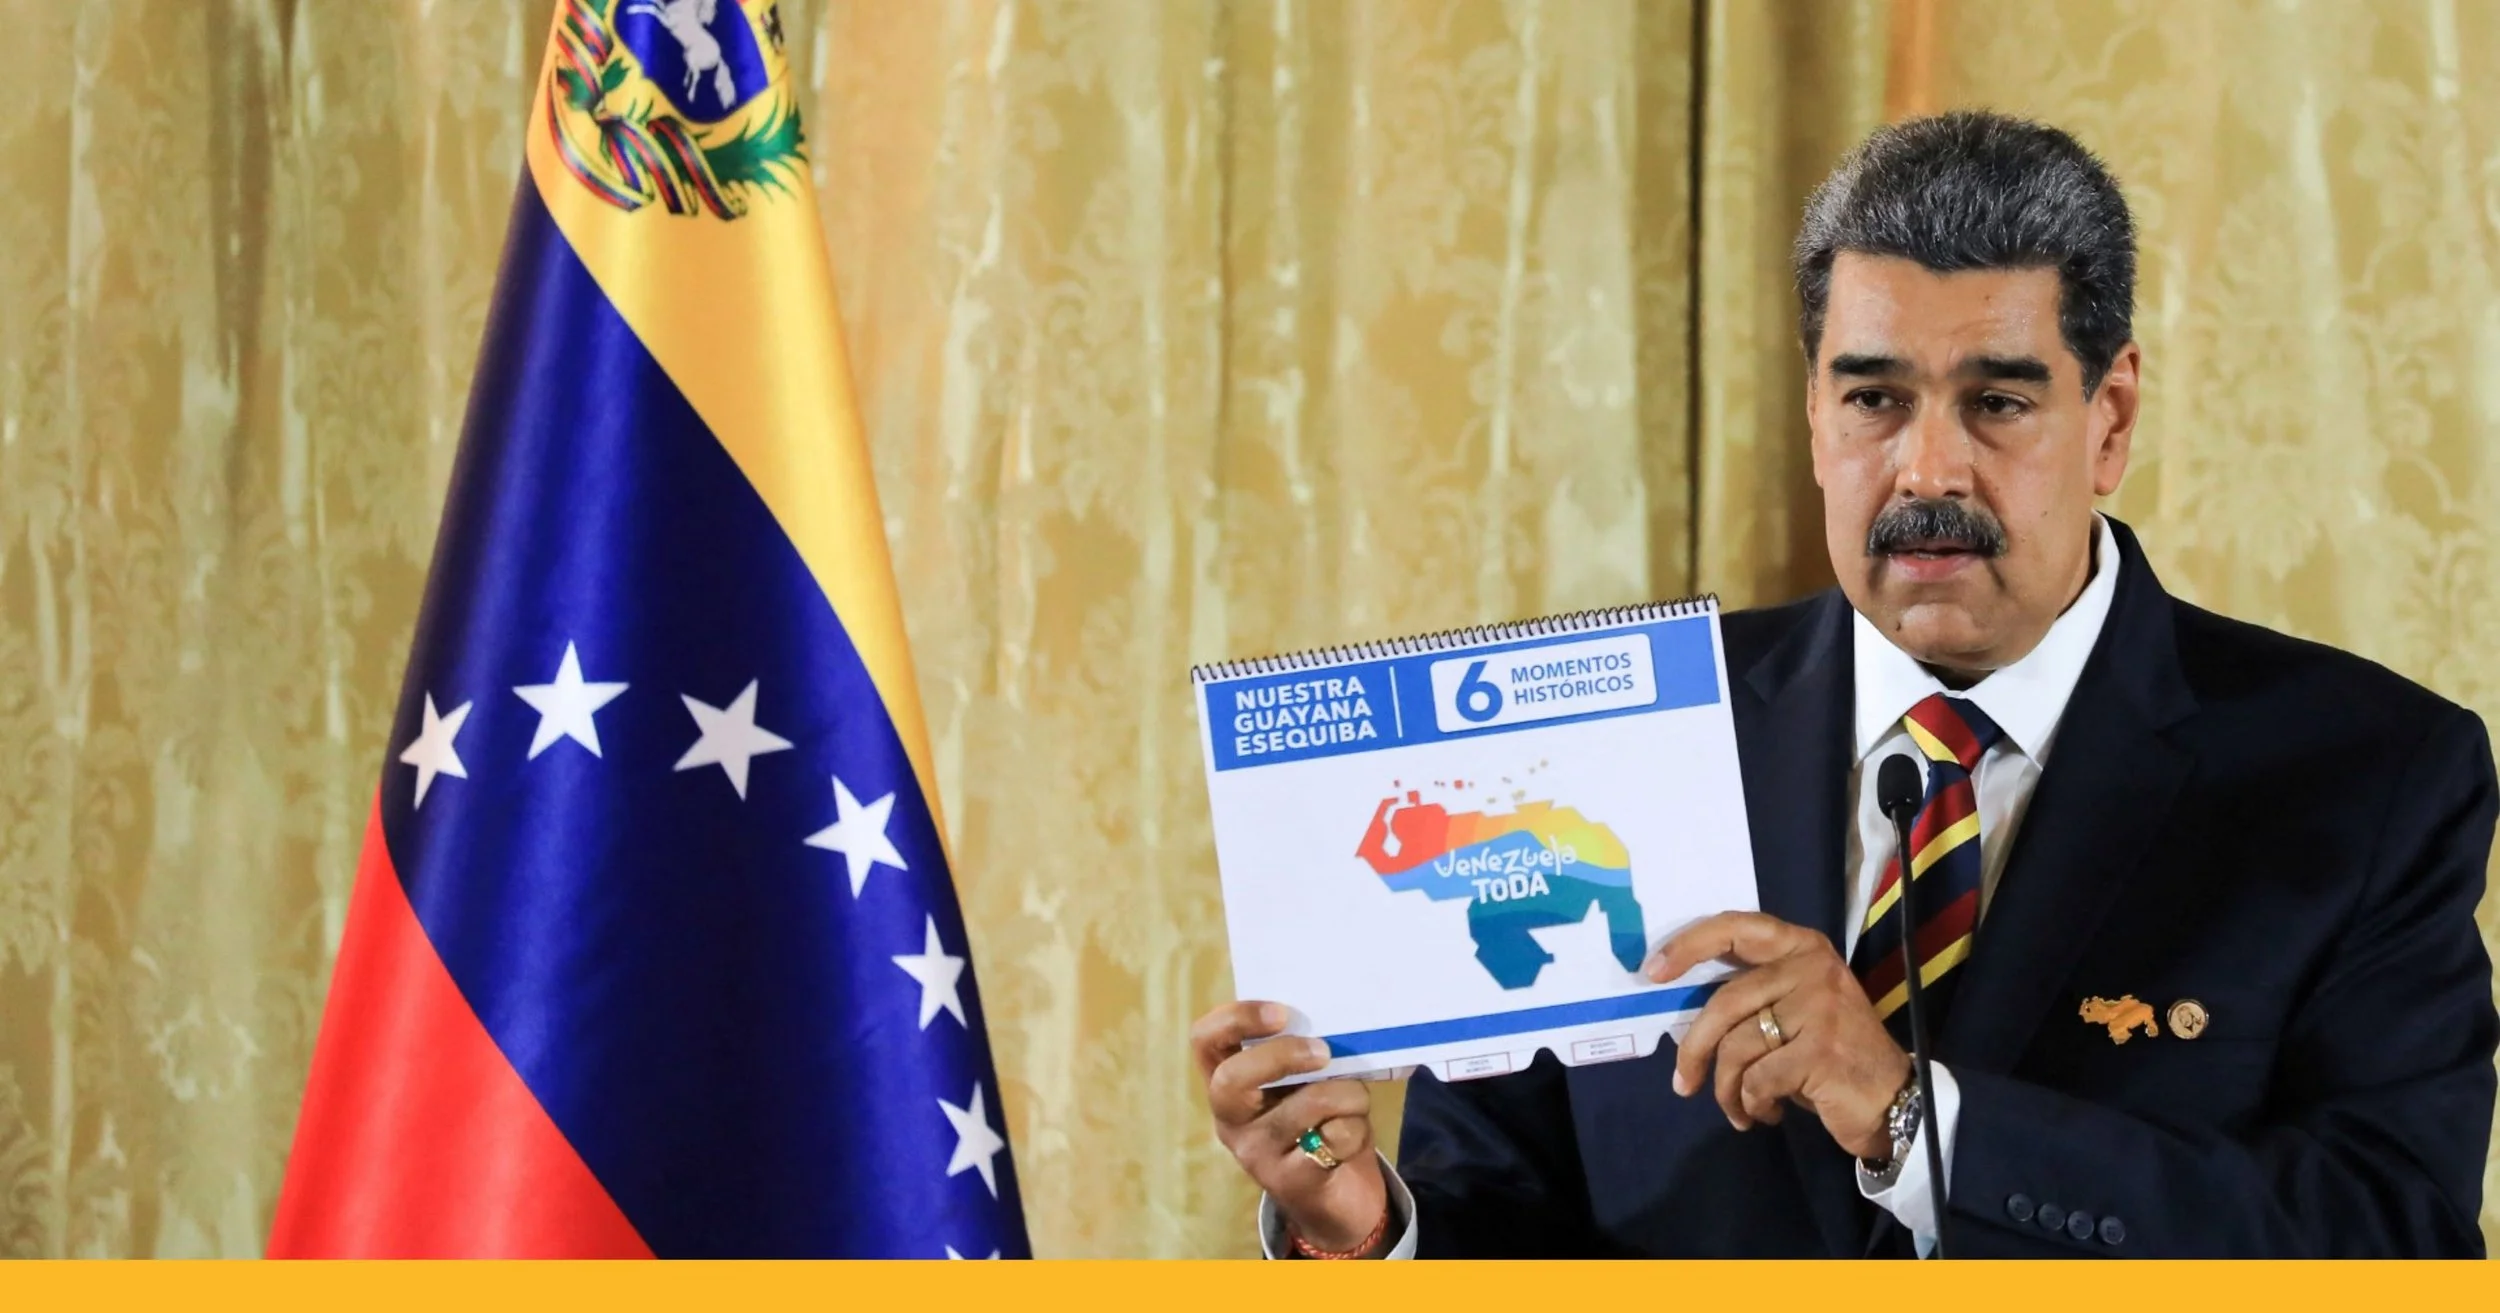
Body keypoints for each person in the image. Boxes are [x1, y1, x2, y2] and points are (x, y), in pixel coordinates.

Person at [1190, 110, 2498, 1258]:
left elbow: (2391, 1241)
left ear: (2111, 419)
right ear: (1816, 415)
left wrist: (1917, 1121)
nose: (1927, 471)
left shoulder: (2368, 774)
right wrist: (1366, 1228)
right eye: (1875, 399)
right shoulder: (1594, 747)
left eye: (1998, 403)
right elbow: (1508, 1221)